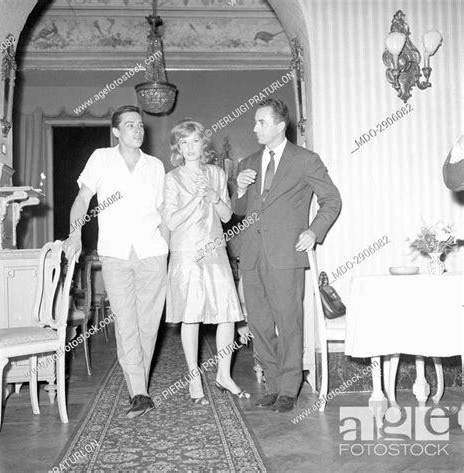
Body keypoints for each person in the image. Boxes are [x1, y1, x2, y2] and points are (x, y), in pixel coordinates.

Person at [232, 98, 341, 413]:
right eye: (254, 122)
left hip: (286, 254)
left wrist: (313, 231)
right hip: (251, 255)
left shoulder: (305, 160)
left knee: (289, 322)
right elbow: (238, 211)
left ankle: (290, 388)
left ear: (280, 125)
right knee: (260, 324)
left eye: (261, 122)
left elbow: (331, 200)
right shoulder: (248, 162)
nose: (254, 128)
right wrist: (238, 190)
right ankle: (274, 384)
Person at [64, 105, 169, 419]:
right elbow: (83, 199)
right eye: (130, 125)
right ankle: (139, 391)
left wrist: (168, 249)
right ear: (116, 132)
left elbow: (163, 212)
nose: (137, 130)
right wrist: (75, 235)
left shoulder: (156, 166)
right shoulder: (101, 158)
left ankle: (140, 385)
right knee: (125, 322)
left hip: (152, 251)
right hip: (115, 252)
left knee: (148, 325)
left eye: (140, 125)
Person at [164, 119, 249, 405]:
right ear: (178, 147)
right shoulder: (172, 178)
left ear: (203, 144)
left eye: (195, 141)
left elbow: (226, 217)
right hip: (187, 253)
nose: (189, 148)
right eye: (183, 142)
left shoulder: (216, 173)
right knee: (192, 316)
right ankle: (193, 378)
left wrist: (214, 196)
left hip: (214, 251)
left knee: (226, 314)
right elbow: (172, 221)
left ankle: (224, 375)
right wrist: (194, 201)